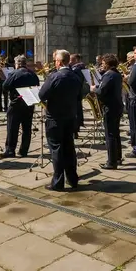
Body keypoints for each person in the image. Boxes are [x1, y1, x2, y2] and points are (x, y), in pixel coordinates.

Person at [39, 50, 82, 191]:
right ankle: (73, 179)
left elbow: (42, 94)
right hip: (70, 116)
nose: (54, 63)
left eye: (56, 61)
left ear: (59, 61)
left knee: (56, 149)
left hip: (55, 118)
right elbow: (79, 95)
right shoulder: (75, 76)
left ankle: (57, 182)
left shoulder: (55, 76)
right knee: (69, 147)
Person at [0, 55, 40, 158]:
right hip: (29, 103)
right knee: (27, 128)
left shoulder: (14, 73)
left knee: (12, 128)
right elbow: (37, 85)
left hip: (16, 104)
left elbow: (5, 87)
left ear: (17, 64)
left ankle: (10, 150)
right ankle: (24, 150)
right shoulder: (32, 74)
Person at [92, 54, 124, 169]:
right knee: (115, 133)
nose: (102, 65)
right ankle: (118, 158)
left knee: (110, 134)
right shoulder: (116, 74)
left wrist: (94, 89)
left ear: (108, 64)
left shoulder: (109, 75)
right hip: (117, 106)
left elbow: (102, 91)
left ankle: (111, 162)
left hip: (110, 107)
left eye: (104, 63)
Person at [69, 53, 86, 137]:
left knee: (75, 112)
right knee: (77, 111)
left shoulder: (76, 69)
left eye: (71, 60)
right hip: (77, 93)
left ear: (76, 60)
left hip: (75, 94)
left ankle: (75, 130)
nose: (69, 62)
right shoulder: (78, 68)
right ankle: (75, 129)